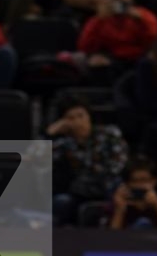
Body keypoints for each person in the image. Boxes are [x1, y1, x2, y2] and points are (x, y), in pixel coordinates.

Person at [49, 95, 131, 226]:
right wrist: (49, 134)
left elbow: (116, 167)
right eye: (71, 118)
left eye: (81, 116)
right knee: (60, 202)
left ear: (89, 116)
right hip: (79, 194)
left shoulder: (110, 134)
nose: (78, 122)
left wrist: (89, 178)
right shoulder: (64, 143)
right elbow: (34, 158)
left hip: (107, 189)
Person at [76, 0, 157, 73]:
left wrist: (140, 20)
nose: (116, 0)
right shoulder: (98, 20)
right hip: (111, 59)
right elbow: (84, 47)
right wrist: (99, 20)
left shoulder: (144, 16)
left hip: (138, 59)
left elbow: (155, 42)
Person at [109, 157, 157, 229]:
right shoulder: (117, 204)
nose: (140, 186)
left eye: (144, 180)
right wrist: (120, 210)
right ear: (127, 183)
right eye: (134, 181)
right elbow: (109, 238)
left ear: (154, 181)